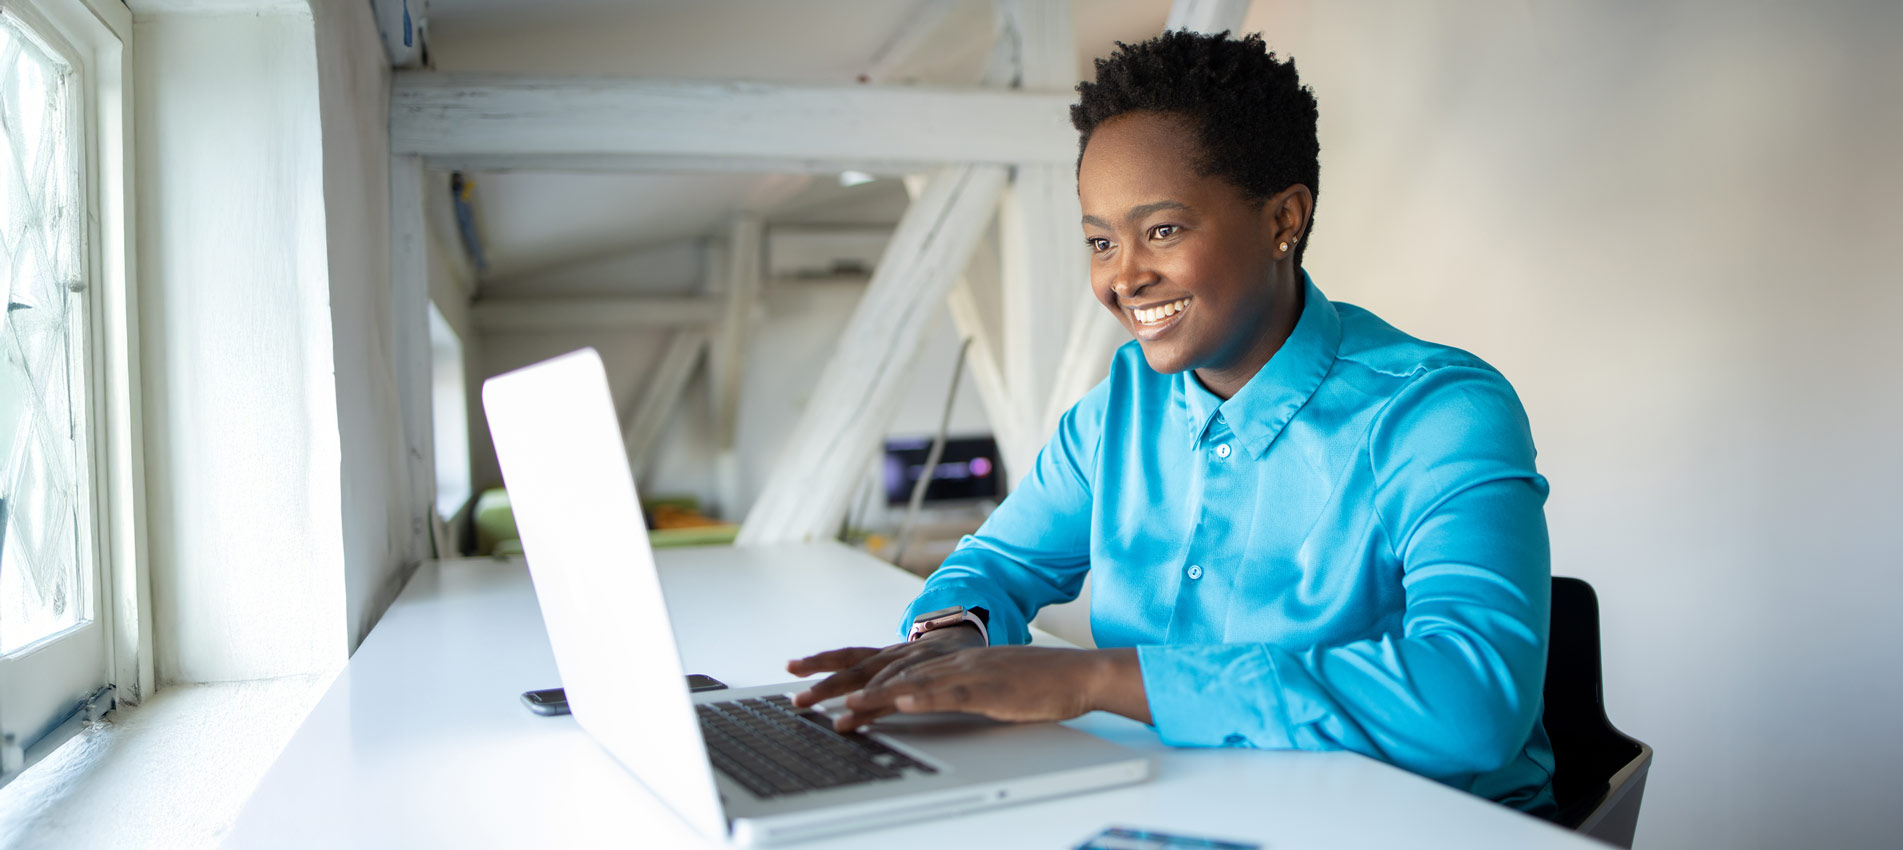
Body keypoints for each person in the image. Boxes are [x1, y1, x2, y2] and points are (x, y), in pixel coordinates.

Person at [787, 30, 1556, 815]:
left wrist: (1094, 677)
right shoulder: (1120, 409)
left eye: (1162, 230)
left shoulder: (1438, 413)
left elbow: (1473, 705)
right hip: (1183, 806)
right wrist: (954, 643)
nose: (1123, 277)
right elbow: (995, 566)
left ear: (1281, 219)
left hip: (1413, 823)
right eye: (1099, 240)